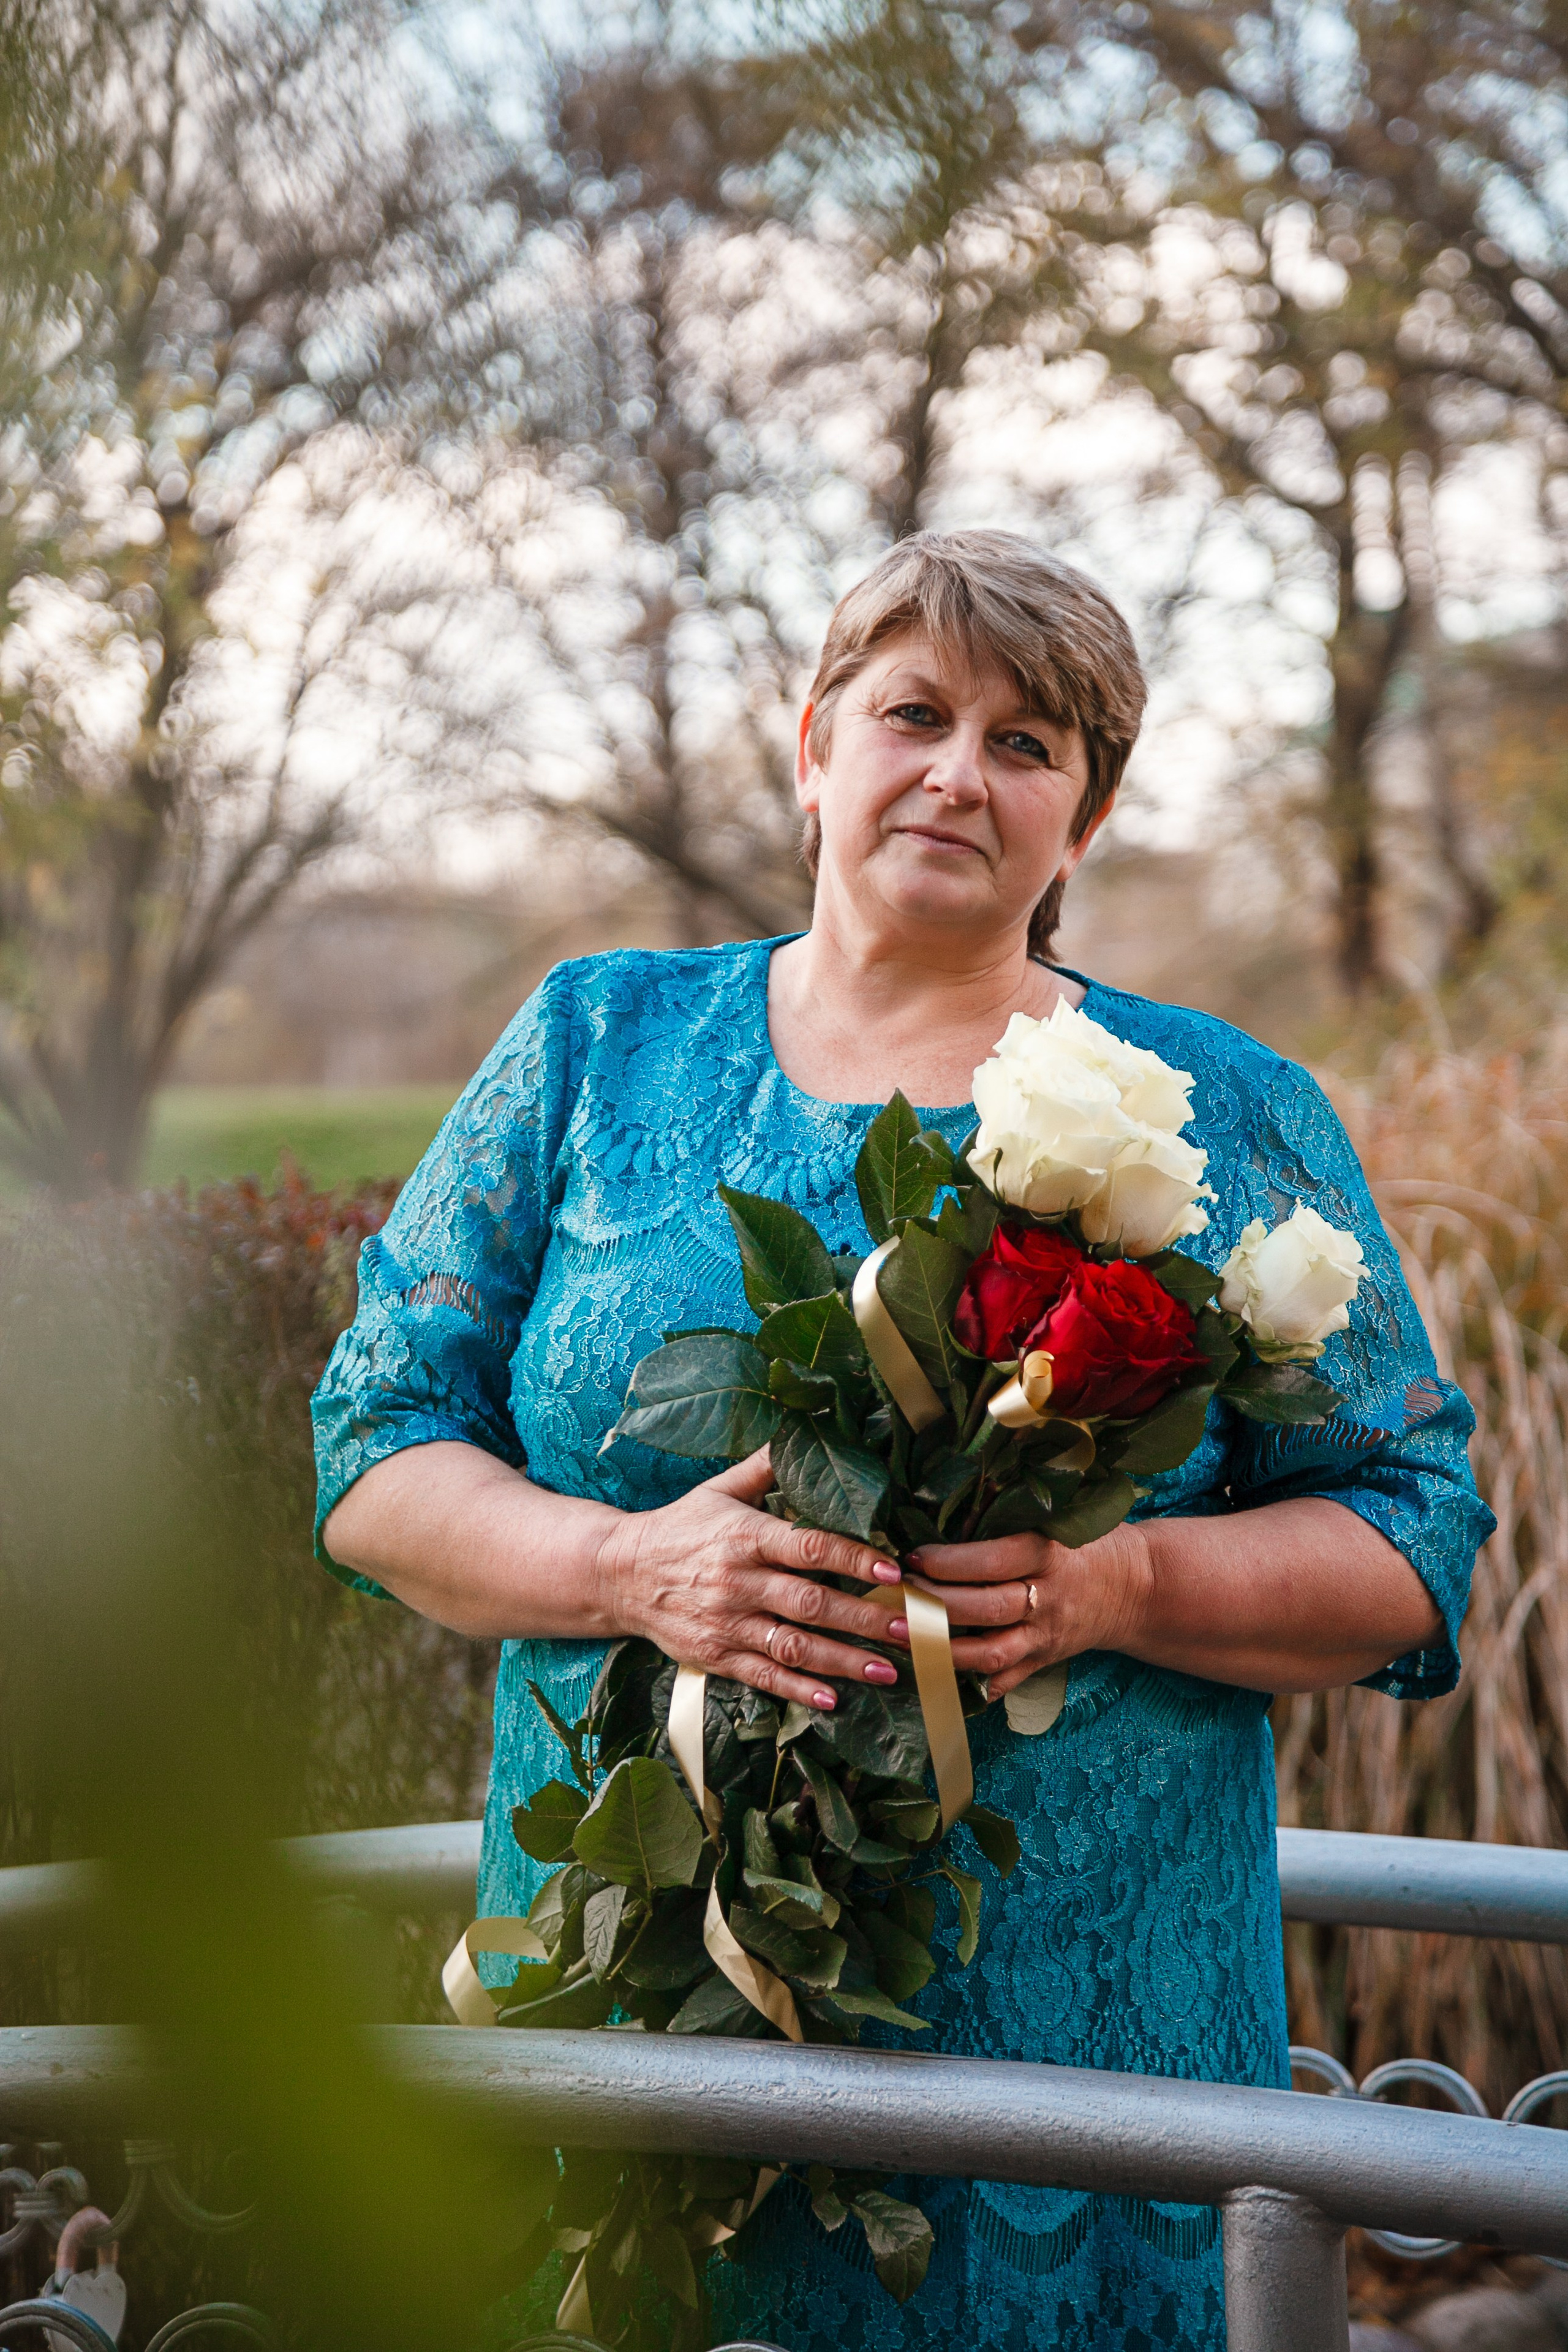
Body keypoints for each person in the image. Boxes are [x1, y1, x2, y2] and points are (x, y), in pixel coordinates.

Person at [312, 529, 1493, 2351]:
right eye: (915, 713)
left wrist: (1124, 1581)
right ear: (812, 749)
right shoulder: (595, 1043)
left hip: (1079, 2075)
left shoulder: (1222, 1117)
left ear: (1082, 824)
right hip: (626, 2022)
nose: (962, 771)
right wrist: (628, 1564)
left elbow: (1412, 1534)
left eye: (1032, 745)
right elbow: (378, 1445)